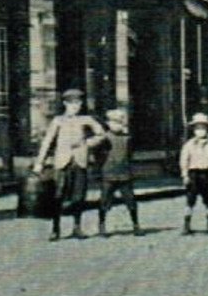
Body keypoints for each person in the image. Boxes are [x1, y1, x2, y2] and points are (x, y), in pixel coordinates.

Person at [33, 89, 106, 242]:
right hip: (62, 162)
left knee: (79, 196)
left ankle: (77, 227)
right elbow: (47, 142)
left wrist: (87, 143)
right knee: (58, 195)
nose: (76, 106)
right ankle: (55, 229)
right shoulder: (58, 121)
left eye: (79, 103)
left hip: (80, 161)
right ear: (66, 103)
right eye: (73, 103)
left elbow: (102, 134)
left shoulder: (86, 119)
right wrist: (39, 163)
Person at [91, 108, 140, 237]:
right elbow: (97, 155)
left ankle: (136, 225)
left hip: (124, 174)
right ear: (108, 123)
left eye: (120, 122)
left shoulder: (127, 138)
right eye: (114, 122)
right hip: (108, 174)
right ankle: (102, 226)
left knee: (131, 201)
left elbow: (129, 154)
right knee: (104, 201)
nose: (117, 125)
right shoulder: (104, 138)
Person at [179, 112, 208, 234]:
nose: (200, 131)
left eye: (203, 128)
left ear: (207, 130)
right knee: (190, 200)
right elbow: (184, 160)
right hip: (193, 174)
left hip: (206, 174)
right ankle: (187, 224)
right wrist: (185, 175)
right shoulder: (188, 145)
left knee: (207, 199)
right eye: (197, 128)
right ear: (193, 130)